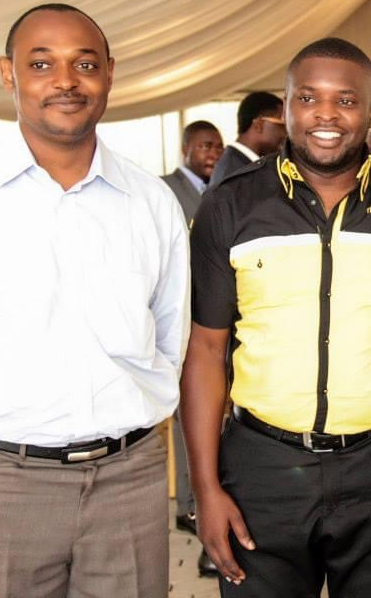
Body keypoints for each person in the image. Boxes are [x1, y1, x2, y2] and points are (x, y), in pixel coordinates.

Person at [0, 4, 190, 597]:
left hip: (128, 481)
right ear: (8, 73)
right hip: (0, 482)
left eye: (85, 64)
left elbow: (170, 338)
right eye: (41, 64)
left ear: (110, 73)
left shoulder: (152, 203)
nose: (66, 81)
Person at [181, 37, 371, 597]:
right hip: (262, 473)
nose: (326, 115)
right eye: (308, 98)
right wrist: (205, 488)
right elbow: (205, 349)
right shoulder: (230, 204)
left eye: (345, 100)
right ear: (286, 107)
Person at [162, 120, 222, 577]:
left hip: (217, 318)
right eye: (204, 146)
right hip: (181, 319)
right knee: (188, 415)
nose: (212, 153)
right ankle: (188, 503)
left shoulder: (222, 191)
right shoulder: (165, 191)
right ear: (185, 149)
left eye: (217, 146)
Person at [208, 91, 286, 187]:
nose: (286, 133)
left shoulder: (242, 165)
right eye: (283, 125)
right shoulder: (234, 173)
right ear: (259, 124)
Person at [163, 120, 223, 224]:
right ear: (185, 149)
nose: (215, 155)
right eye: (206, 146)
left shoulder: (221, 187)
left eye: (219, 148)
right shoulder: (165, 187)